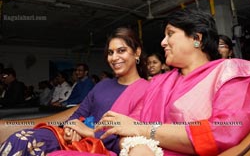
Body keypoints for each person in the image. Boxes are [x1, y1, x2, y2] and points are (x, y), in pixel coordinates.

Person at [52, 9, 250, 156]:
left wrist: (142, 131)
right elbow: (127, 126)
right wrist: (98, 135)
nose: (163, 42)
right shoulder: (160, 81)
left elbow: (222, 133)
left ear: (196, 38)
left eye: (170, 33)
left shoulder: (230, 72)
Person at [0, 27, 148, 155]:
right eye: (110, 52)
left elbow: (135, 132)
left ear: (137, 53)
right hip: (71, 137)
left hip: (100, 144)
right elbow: (78, 114)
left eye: (121, 51)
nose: (114, 58)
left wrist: (89, 132)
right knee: (19, 138)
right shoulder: (103, 85)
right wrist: (72, 128)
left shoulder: (147, 90)